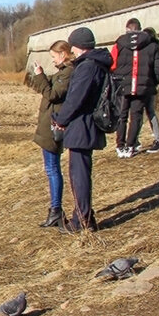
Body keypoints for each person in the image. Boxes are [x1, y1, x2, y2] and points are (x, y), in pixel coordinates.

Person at [51, 26, 112, 233]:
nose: (73, 52)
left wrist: (61, 120)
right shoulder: (96, 63)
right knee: (81, 173)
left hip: (82, 126)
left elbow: (75, 99)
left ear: (78, 46)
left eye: (73, 47)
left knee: (79, 175)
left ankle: (81, 222)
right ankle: (84, 216)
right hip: (86, 125)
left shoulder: (87, 67)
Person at [27, 40, 74, 228]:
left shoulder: (68, 73)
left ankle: (56, 210)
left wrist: (39, 76)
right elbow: (52, 92)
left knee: (53, 169)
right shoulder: (64, 72)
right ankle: (55, 210)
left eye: (54, 56)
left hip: (53, 126)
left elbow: (52, 95)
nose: (53, 60)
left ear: (63, 54)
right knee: (51, 169)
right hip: (50, 125)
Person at [108, 17, 159, 158]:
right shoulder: (151, 44)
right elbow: (158, 67)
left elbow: (112, 64)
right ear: (139, 28)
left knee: (122, 116)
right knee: (136, 116)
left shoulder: (119, 43)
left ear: (127, 29)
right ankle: (131, 146)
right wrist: (152, 82)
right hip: (142, 86)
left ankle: (120, 146)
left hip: (122, 85)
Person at [140, 27, 159, 152]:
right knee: (148, 112)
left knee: (142, 112)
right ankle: (157, 138)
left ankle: (156, 139)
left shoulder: (152, 49)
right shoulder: (157, 47)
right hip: (149, 84)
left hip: (146, 84)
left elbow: (158, 69)